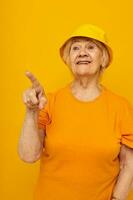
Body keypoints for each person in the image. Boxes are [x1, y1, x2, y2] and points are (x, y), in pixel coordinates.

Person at [18, 24, 133, 200]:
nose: (82, 52)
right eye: (75, 48)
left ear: (104, 59)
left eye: (91, 47)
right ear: (69, 59)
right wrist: (31, 112)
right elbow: (28, 155)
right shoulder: (49, 102)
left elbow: (129, 164)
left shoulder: (121, 107)